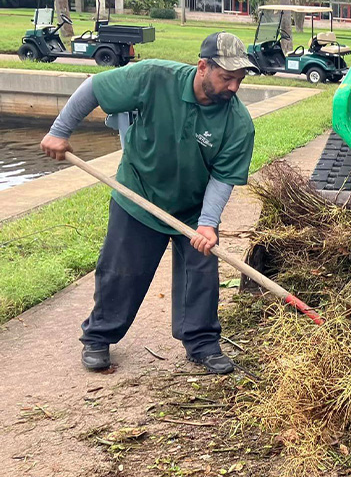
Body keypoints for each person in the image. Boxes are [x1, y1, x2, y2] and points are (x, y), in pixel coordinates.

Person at [39, 33, 258, 375]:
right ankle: (99, 337)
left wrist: (207, 223)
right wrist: (60, 130)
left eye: (239, 80)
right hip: (138, 195)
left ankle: (201, 343)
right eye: (226, 78)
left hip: (192, 207)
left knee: (201, 273)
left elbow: (223, 178)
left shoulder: (238, 123)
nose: (233, 87)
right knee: (123, 271)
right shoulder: (155, 77)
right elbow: (95, 88)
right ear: (203, 67)